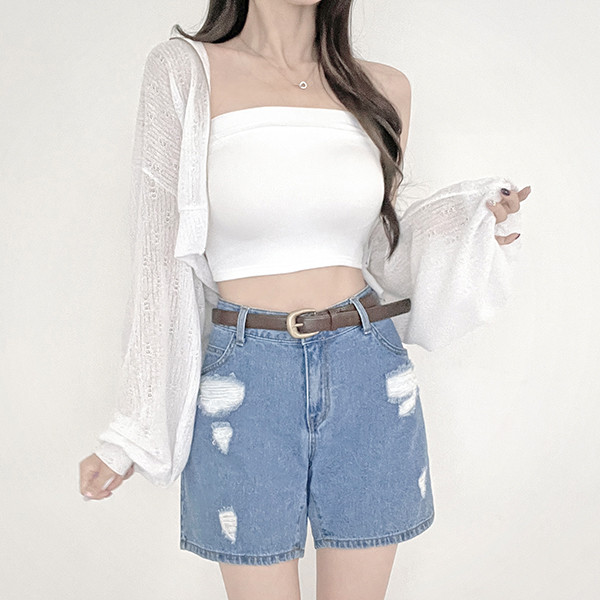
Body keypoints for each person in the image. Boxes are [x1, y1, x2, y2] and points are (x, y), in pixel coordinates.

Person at [79, 1, 529, 598]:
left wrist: (467, 221)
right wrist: (130, 430)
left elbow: (379, 248)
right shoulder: (185, 72)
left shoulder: (382, 89)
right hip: (246, 379)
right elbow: (158, 258)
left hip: (367, 368)